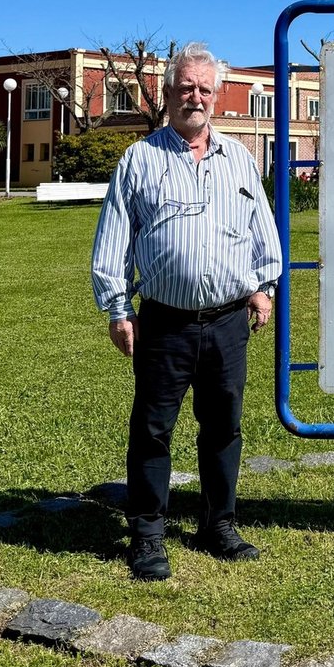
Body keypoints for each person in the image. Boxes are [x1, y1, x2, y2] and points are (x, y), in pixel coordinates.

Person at [91, 42, 282, 579]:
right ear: (168, 94)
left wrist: (264, 285)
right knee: (152, 429)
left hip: (227, 322)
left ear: (217, 96)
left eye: (204, 88)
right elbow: (113, 240)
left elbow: (261, 230)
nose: (194, 97)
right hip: (164, 323)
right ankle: (148, 535)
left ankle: (218, 525)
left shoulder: (240, 159)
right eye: (185, 88)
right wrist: (116, 308)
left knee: (224, 426)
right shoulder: (140, 158)